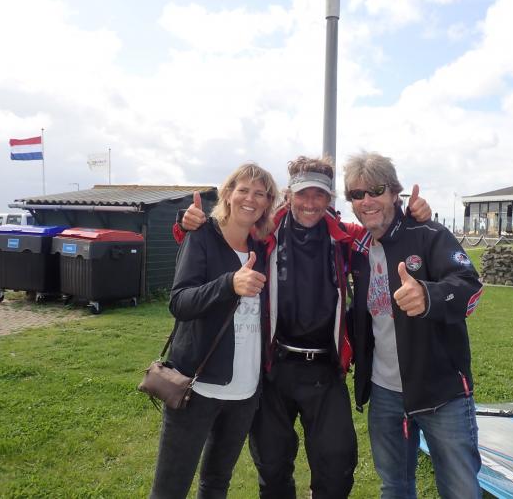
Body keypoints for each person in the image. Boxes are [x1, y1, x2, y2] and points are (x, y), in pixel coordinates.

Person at [174, 156, 432, 499]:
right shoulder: (265, 233)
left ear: (329, 200)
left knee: (338, 465)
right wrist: (185, 224)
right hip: (275, 368)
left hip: (325, 370)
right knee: (273, 465)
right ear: (289, 194)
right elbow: (223, 232)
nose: (310, 204)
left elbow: (384, 230)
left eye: (319, 196)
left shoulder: (344, 237)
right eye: (303, 194)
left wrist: (410, 216)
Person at [343, 151, 483, 499]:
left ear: (395, 192)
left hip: (441, 391)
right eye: (356, 194)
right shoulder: (359, 249)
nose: (366, 200)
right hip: (385, 393)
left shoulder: (429, 234)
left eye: (375, 190)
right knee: (395, 488)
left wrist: (429, 296)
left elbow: (470, 286)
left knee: (460, 489)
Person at [151, 162, 279, 499]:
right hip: (197, 388)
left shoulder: (262, 248)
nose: (250, 199)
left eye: (260, 194)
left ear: (267, 204)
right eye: (244, 190)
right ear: (228, 193)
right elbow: (179, 302)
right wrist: (229, 284)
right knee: (170, 488)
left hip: (245, 393)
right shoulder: (203, 236)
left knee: (216, 482)